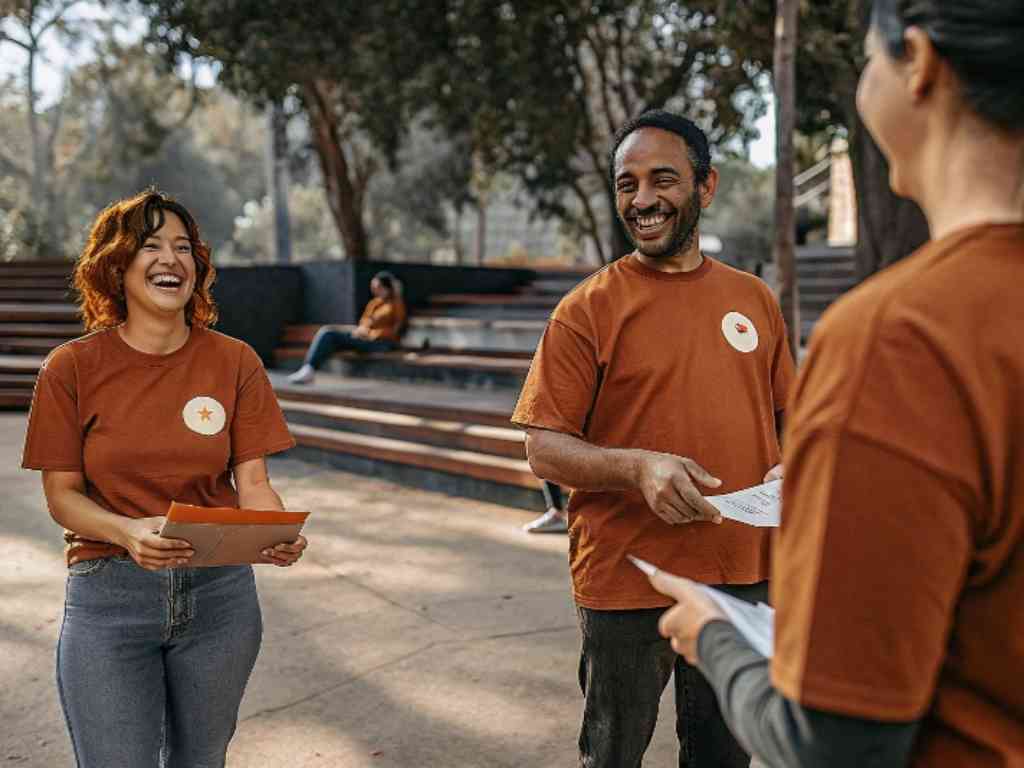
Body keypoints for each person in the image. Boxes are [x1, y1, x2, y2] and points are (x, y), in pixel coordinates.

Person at [654, 2, 1024, 766]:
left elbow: (832, 740)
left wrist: (715, 640)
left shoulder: (901, 341)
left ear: (917, 62)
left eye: (865, 59)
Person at [511, 109, 795, 767]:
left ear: (706, 186)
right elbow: (543, 446)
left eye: (662, 180)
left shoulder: (754, 300)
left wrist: (794, 467)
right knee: (613, 753)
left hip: (742, 574)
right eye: (626, 183)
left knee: (725, 755)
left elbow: (793, 422)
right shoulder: (586, 309)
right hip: (626, 577)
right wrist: (636, 467)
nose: (641, 201)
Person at [21, 189, 307, 766]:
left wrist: (271, 528)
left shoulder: (235, 362)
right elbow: (63, 497)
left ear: (197, 269)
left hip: (220, 599)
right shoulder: (70, 368)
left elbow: (253, 482)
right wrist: (128, 532)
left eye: (183, 248)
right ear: (117, 265)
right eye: (150, 246)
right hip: (109, 595)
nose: (170, 259)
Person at [288, 271, 407, 385]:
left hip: (381, 343)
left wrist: (371, 334)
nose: (374, 290)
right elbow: (364, 321)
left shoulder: (396, 304)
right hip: (364, 339)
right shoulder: (374, 303)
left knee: (329, 335)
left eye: (378, 287)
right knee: (327, 334)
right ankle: (309, 369)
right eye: (373, 287)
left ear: (387, 287)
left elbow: (396, 331)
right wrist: (362, 330)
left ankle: (309, 370)